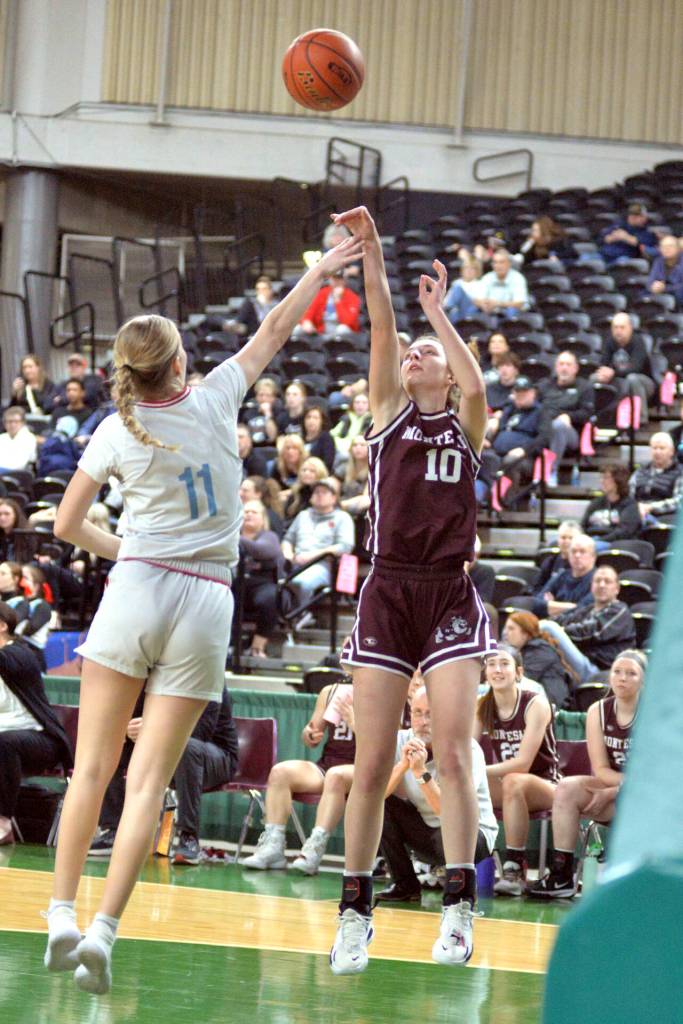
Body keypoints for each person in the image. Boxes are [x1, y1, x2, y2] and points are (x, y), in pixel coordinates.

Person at [43, 233, 361, 995]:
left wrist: (123, 551)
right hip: (205, 599)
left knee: (93, 767)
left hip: (141, 582)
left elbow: (63, 526)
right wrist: (316, 267)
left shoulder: (117, 428)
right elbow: (275, 330)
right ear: (179, 362)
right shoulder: (218, 392)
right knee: (149, 779)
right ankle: (104, 935)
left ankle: (59, 914)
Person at [330, 206, 496, 975]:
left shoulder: (465, 421)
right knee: (369, 765)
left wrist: (442, 316)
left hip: (450, 592)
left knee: (455, 754)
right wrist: (372, 251)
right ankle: (354, 913)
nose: (414, 353)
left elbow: (472, 380)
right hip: (387, 590)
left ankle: (458, 907)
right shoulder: (388, 412)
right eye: (411, 352)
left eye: (425, 351)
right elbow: (382, 331)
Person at [528, 650, 645, 899]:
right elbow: (601, 768)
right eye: (617, 672)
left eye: (631, 673)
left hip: (646, 796)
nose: (622, 677)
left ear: (644, 680)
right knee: (566, 788)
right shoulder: (597, 711)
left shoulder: (652, 714)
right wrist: (615, 790)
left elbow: (652, 777)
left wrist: (615, 791)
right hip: (614, 790)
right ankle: (562, 875)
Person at [89, 687, 239, 867]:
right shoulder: (151, 675)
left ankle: (188, 838)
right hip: (162, 749)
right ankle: (113, 830)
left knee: (188, 748)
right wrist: (127, 728)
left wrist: (153, 728)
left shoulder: (208, 672)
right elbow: (133, 716)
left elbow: (202, 730)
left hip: (216, 755)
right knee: (115, 739)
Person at [375, 685, 497, 903]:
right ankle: (405, 885)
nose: (423, 721)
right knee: (379, 806)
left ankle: (460, 891)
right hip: (428, 833)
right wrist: (403, 765)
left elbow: (449, 812)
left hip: (472, 835)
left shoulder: (465, 749)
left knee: (450, 829)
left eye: (431, 714)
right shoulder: (400, 741)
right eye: (418, 713)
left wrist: (420, 772)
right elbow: (376, 796)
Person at [242, 680, 355, 870]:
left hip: (362, 768)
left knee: (335, 776)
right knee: (281, 772)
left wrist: (353, 721)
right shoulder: (330, 691)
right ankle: (273, 848)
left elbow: (387, 744)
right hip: (328, 765)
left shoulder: (381, 692)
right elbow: (310, 734)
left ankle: (314, 849)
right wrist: (310, 734)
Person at [474, 647, 560, 896]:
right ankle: (453, 863)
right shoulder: (483, 706)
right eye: (491, 664)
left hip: (547, 785)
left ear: (518, 672)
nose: (497, 669)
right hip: (510, 786)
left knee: (513, 780)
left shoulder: (536, 703)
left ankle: (514, 868)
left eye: (504, 664)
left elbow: (522, 763)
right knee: (458, 784)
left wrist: (478, 770)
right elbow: (468, 749)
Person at [0, 602, 73, 846]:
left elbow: (6, 662)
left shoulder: (20, 654)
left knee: (5, 742)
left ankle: (3, 823)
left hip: (41, 741)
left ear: (2, 626)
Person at [540, 566, 636, 686]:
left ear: (617, 588)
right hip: (577, 664)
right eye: (597, 581)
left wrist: (559, 631)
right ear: (591, 586)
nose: (601, 585)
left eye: (607, 581)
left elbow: (589, 633)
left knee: (547, 628)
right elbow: (563, 619)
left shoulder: (619, 611)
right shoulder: (588, 609)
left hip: (599, 671)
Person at [281, 477, 355, 610]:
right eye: (316, 492)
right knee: (274, 580)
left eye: (324, 492)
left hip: (323, 565)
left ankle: (298, 615)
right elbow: (288, 539)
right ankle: (283, 617)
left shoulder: (342, 518)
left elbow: (345, 547)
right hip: (294, 562)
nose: (319, 495)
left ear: (334, 498)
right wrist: (288, 554)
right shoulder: (303, 515)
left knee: (300, 582)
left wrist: (312, 556)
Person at [235, 500, 284, 658]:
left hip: (261, 584)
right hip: (234, 583)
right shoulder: (233, 535)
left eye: (254, 512)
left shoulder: (269, 536)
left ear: (263, 518)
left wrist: (234, 539)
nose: (248, 514)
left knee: (270, 599)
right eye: (245, 511)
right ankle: (228, 646)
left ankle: (257, 646)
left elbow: (263, 550)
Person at [539, 351, 594, 486]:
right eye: (561, 364)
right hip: (544, 428)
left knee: (559, 425)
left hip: (572, 434)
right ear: (556, 367)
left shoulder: (584, 387)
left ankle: (551, 471)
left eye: (568, 364)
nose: (564, 368)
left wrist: (569, 416)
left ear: (575, 368)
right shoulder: (544, 385)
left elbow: (587, 413)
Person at [502, 611, 570, 708]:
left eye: (511, 629)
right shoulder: (525, 650)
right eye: (505, 628)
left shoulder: (540, 650)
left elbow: (521, 679)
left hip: (551, 706)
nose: (505, 633)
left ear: (525, 634)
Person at [594, 312, 655, 421]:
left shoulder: (638, 341)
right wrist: (603, 373)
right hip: (620, 381)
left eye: (622, 327)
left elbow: (636, 368)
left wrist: (613, 372)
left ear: (630, 328)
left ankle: (640, 418)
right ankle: (597, 416)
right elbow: (603, 364)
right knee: (595, 378)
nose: (618, 331)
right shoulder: (609, 342)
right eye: (615, 327)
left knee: (632, 378)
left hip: (645, 384)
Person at [530, 533, 596, 619]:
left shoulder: (598, 580)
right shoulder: (561, 575)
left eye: (582, 551)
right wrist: (571, 606)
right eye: (573, 551)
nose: (577, 555)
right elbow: (537, 604)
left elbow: (583, 611)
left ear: (593, 556)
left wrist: (551, 605)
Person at [629, 432, 682, 525]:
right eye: (654, 448)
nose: (657, 452)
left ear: (672, 451)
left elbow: (679, 501)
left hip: (666, 517)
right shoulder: (641, 471)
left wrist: (651, 507)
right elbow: (629, 494)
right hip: (639, 513)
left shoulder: (680, 472)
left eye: (662, 448)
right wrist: (636, 508)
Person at [581, 462, 641, 546]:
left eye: (606, 478)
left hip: (614, 544)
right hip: (590, 542)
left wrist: (598, 542)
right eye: (601, 478)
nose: (602, 481)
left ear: (618, 480)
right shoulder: (596, 503)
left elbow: (624, 532)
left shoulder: (630, 505)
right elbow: (583, 526)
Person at [300, 270, 362, 335]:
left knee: (342, 329)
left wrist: (338, 301)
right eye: (334, 278)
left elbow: (348, 322)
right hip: (321, 330)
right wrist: (307, 321)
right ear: (330, 280)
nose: (337, 281)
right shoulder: (322, 293)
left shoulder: (352, 297)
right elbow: (310, 310)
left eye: (339, 279)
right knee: (298, 329)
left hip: (343, 332)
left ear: (344, 280)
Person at [15, 565, 53, 671]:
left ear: (36, 585)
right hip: (16, 650)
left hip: (32, 653)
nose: (21, 581)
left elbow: (29, 630)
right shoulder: (16, 600)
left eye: (26, 578)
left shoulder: (42, 605)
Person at [474, 250, 529, 320]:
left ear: (509, 264)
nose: (498, 266)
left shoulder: (518, 278)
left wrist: (497, 304)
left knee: (511, 311)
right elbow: (476, 299)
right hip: (491, 311)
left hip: (511, 312)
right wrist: (483, 304)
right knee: (473, 309)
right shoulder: (487, 277)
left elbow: (519, 303)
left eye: (501, 262)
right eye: (495, 262)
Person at [532, 520, 581, 594]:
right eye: (563, 537)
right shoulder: (550, 562)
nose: (566, 541)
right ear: (558, 540)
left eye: (571, 538)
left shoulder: (582, 564)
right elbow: (537, 588)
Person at [281, 456, 328, 523]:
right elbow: (286, 518)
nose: (307, 473)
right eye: (304, 470)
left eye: (312, 471)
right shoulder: (295, 493)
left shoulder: (326, 495)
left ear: (320, 474)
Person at [443, 255, 484, 324]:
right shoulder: (457, 282)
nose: (469, 271)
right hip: (456, 310)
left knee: (458, 289)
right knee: (453, 310)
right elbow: (447, 301)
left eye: (472, 268)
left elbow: (480, 301)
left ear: (477, 271)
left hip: (471, 309)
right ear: (462, 269)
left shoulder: (480, 283)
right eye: (466, 268)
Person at [330, 391, 372, 456]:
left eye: (364, 403)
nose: (360, 405)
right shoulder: (347, 417)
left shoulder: (372, 420)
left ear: (369, 405)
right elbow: (332, 434)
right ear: (352, 404)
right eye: (357, 402)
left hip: (360, 449)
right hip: (341, 449)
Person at [647, 234, 683, 307]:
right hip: (661, 297)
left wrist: (665, 288)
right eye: (663, 247)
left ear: (678, 248)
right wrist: (653, 287)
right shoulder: (658, 261)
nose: (667, 249)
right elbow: (650, 281)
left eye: (670, 246)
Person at [0, 407, 38, 473]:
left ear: (23, 423)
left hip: (18, 474)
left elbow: (20, 465)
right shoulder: (2, 437)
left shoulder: (29, 438)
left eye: (16, 421)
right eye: (9, 422)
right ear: (4, 424)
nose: (13, 425)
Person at [339, 436, 370, 515]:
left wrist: (340, 504)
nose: (358, 448)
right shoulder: (344, 467)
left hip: (360, 508)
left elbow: (366, 497)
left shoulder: (372, 470)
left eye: (362, 445)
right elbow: (332, 485)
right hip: (341, 505)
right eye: (355, 445)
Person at [302, 401, 336, 472]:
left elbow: (328, 463)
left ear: (322, 421)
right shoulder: (300, 438)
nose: (311, 420)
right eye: (308, 417)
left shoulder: (326, 438)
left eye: (315, 418)